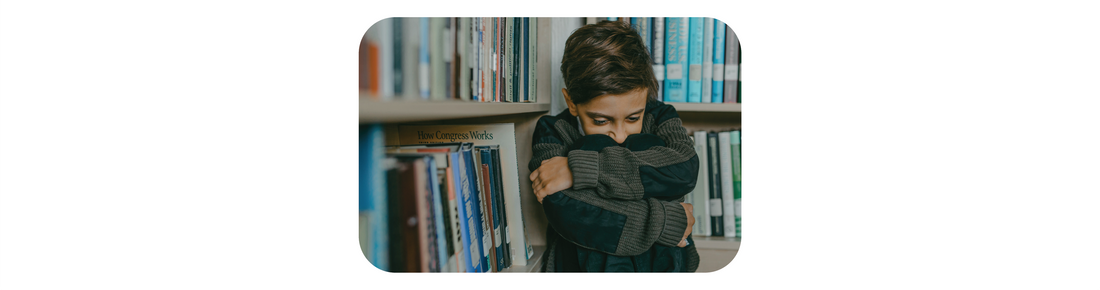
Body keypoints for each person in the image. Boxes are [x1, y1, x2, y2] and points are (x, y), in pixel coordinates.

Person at [528, 20, 700, 272]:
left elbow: (684, 169)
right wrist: (665, 222)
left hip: (662, 264)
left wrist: (585, 168)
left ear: (646, 96)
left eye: (633, 118)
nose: (619, 135)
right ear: (572, 102)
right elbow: (566, 208)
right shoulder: (552, 130)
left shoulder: (661, 115)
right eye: (600, 120)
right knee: (594, 144)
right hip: (582, 266)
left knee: (640, 142)